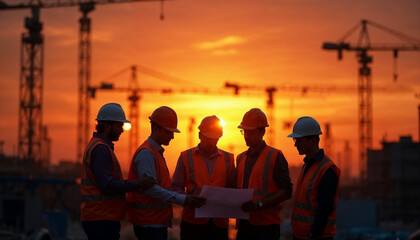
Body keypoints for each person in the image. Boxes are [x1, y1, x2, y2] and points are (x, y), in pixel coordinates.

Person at [126, 106, 206, 240]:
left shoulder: (154, 152)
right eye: (168, 132)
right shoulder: (147, 154)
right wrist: (183, 199)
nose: (172, 136)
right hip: (149, 224)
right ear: (156, 128)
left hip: (154, 223)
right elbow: (151, 189)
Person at [80, 103, 155, 240]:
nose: (122, 130)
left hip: (100, 217)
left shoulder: (99, 146)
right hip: (101, 218)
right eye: (119, 126)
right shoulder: (101, 149)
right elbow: (107, 186)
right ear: (107, 126)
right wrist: (139, 184)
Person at [172, 115, 235, 240]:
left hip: (219, 224)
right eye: (208, 139)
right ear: (200, 135)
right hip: (192, 223)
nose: (211, 143)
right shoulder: (186, 157)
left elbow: (233, 189)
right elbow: (175, 188)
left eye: (215, 139)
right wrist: (187, 200)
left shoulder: (229, 159)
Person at [235, 108, 293, 240]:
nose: (246, 135)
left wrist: (260, 204)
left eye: (251, 132)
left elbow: (286, 191)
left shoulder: (275, 157)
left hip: (267, 227)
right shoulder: (240, 158)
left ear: (262, 131)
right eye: (244, 131)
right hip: (244, 223)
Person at [287, 116, 340, 240]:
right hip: (301, 235)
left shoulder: (327, 169)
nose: (296, 145)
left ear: (312, 140)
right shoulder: (307, 165)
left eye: (299, 140)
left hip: (317, 236)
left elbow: (325, 208)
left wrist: (313, 234)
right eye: (295, 140)